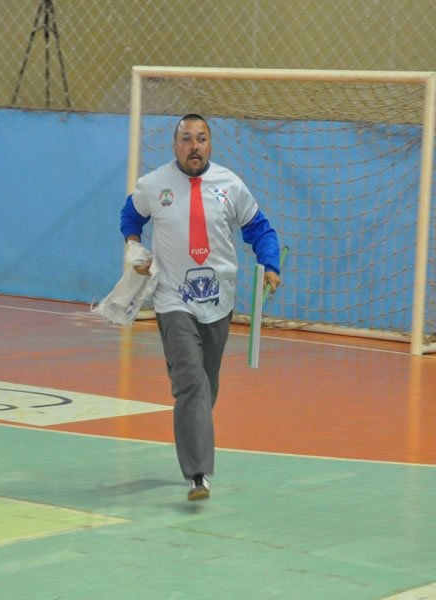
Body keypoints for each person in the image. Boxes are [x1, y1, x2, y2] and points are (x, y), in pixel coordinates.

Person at [120, 114, 281, 501]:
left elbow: (259, 228)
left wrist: (271, 264)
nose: (194, 146)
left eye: (201, 139)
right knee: (191, 379)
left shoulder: (230, 185)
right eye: (186, 139)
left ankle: (195, 437)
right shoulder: (154, 184)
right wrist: (133, 245)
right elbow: (131, 215)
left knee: (206, 386)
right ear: (175, 145)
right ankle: (198, 474)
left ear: (211, 145)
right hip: (173, 298)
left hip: (218, 301)